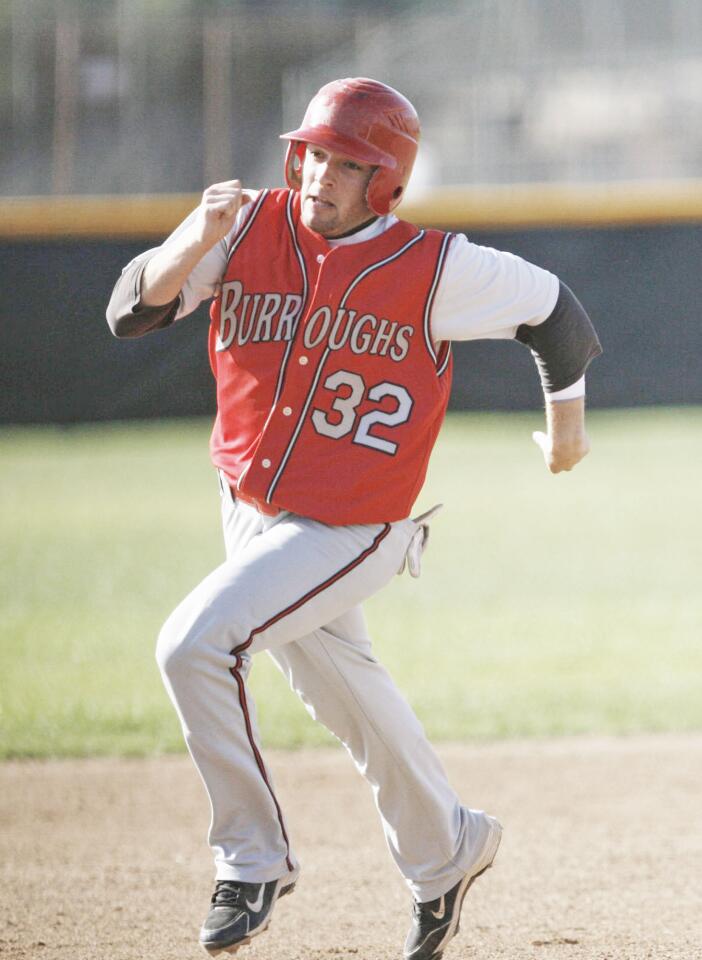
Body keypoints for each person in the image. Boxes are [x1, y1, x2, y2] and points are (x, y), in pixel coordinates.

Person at [106, 77, 601, 960]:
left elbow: (556, 313)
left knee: (195, 643)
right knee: (345, 692)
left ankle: (251, 859)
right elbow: (129, 314)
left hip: (352, 527)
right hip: (249, 512)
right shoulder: (248, 226)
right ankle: (448, 850)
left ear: (387, 182)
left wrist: (567, 430)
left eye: (348, 164)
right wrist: (193, 235)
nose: (322, 176)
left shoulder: (436, 267)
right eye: (315, 155)